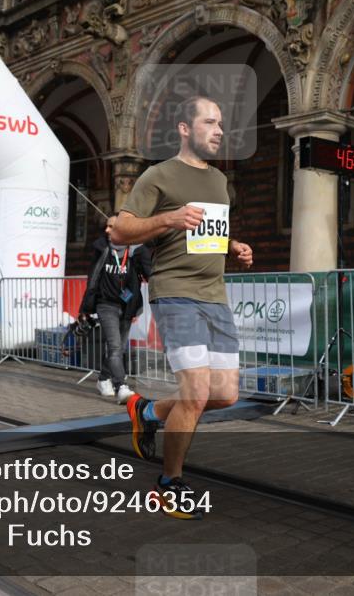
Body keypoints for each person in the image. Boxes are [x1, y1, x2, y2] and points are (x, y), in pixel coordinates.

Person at [111, 95, 253, 520]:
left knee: (225, 395)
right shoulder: (159, 176)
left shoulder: (220, 182)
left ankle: (148, 411)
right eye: (209, 122)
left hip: (216, 294)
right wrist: (168, 219)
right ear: (185, 129)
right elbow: (120, 229)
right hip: (175, 293)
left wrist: (233, 247)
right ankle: (168, 483)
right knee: (195, 392)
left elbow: (208, 234)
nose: (219, 130)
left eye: (221, 124)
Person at [79, 213, 152, 404]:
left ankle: (103, 379)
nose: (106, 230)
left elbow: (149, 274)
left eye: (111, 227)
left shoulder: (137, 250)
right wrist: (86, 307)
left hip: (127, 306)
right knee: (114, 346)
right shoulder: (102, 248)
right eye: (107, 226)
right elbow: (92, 277)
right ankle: (122, 386)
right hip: (106, 305)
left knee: (118, 347)